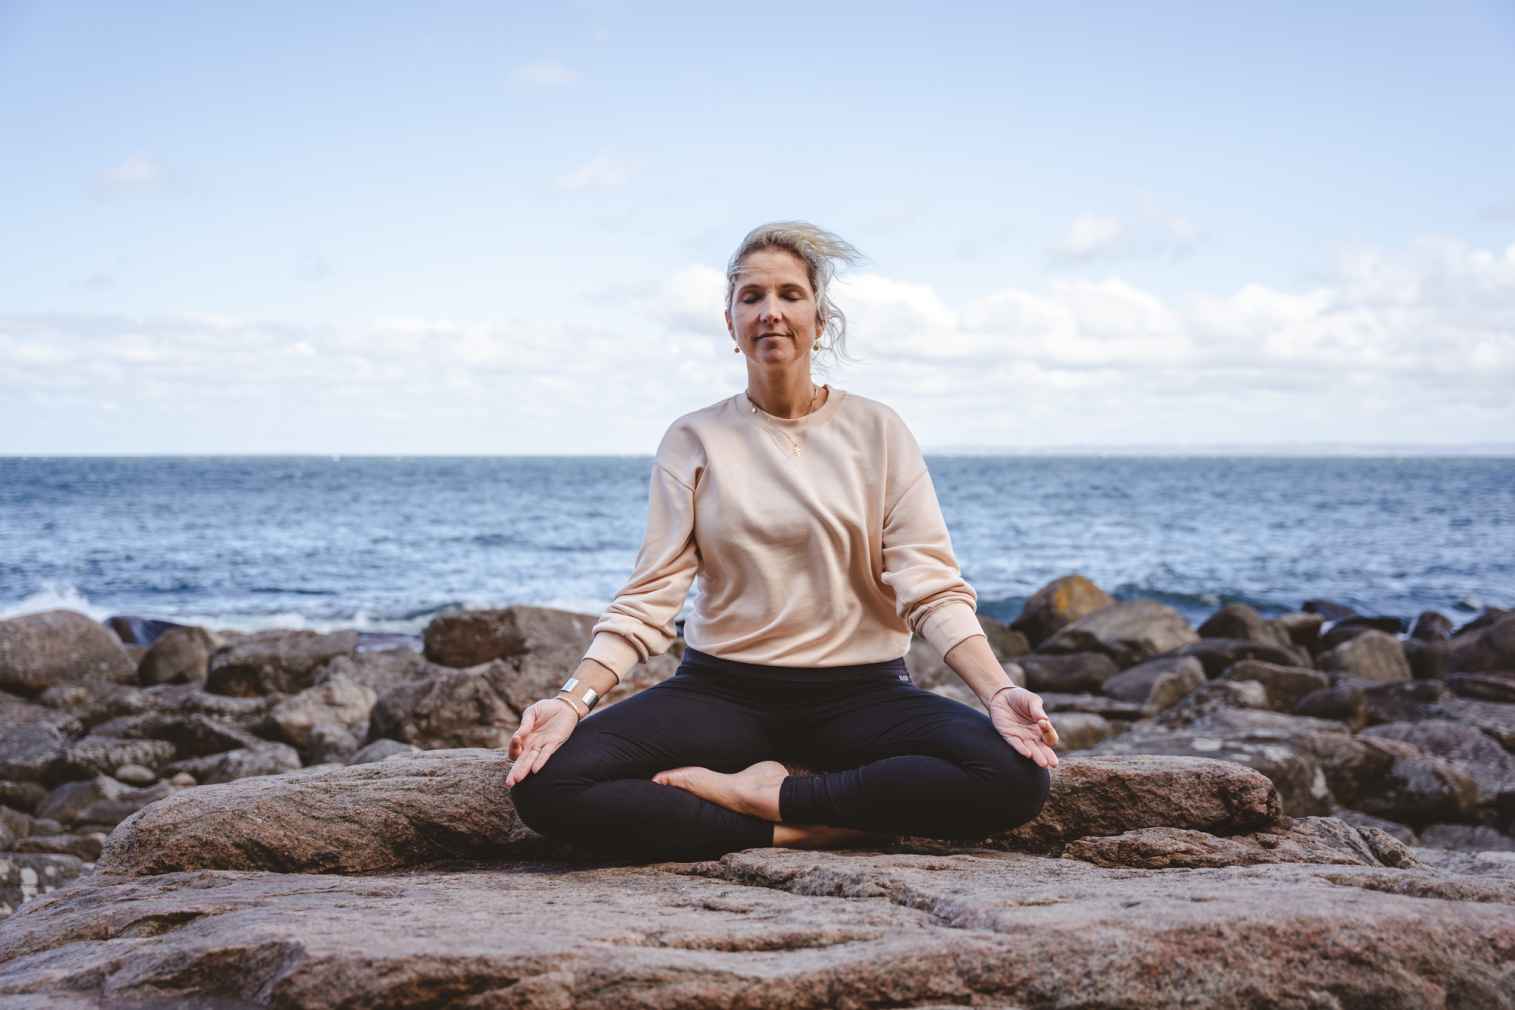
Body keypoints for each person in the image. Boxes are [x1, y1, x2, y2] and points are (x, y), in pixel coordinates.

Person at [506, 221, 1058, 861]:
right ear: (730, 321)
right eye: (752, 297)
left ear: (820, 319)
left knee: (1017, 777)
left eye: (790, 295)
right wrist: (571, 703)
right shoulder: (694, 439)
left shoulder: (879, 431)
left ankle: (772, 800)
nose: (771, 312)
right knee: (546, 784)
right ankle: (806, 827)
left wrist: (997, 693)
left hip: (863, 693)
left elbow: (930, 587)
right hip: (721, 692)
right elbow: (650, 597)